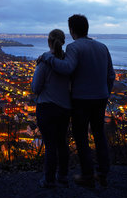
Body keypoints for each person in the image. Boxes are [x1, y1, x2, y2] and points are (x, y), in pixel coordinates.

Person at [43, 14, 115, 187]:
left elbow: (67, 68)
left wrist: (48, 57)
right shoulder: (102, 47)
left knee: (81, 136)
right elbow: (111, 75)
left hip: (81, 99)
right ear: (87, 28)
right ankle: (103, 173)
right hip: (101, 97)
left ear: (71, 30)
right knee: (99, 133)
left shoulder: (75, 47)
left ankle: (87, 175)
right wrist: (105, 92)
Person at [31, 29, 71, 188]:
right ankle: (63, 176)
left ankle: (49, 179)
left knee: (50, 145)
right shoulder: (69, 62)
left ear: (48, 42)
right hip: (65, 108)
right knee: (62, 142)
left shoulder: (45, 62)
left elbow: (35, 87)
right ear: (63, 42)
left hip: (46, 107)